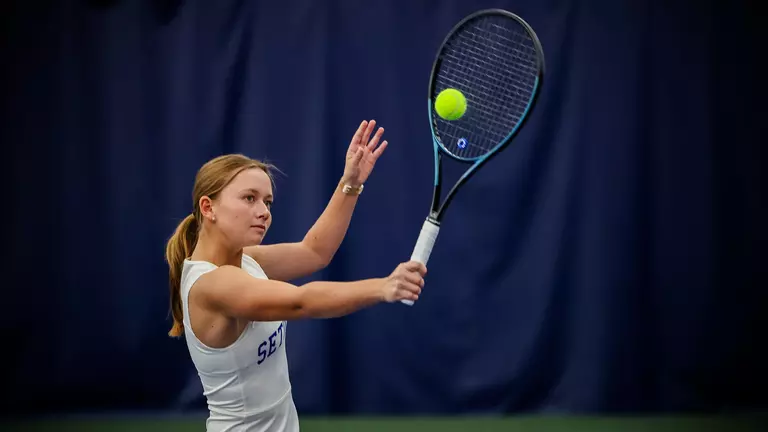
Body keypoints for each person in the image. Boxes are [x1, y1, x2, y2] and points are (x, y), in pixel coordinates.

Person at [164, 119, 427, 432]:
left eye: (267, 202)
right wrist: (382, 287)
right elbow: (301, 302)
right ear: (209, 208)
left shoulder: (246, 260)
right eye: (249, 198)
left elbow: (314, 253)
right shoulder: (212, 285)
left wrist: (351, 182)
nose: (263, 211)